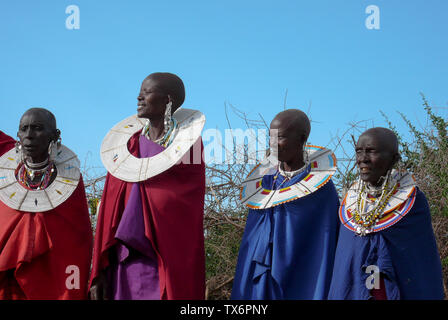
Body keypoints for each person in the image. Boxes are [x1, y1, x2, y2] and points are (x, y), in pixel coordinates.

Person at [89, 72, 206, 300]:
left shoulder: (189, 146)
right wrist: (99, 270)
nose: (138, 98)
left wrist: (150, 200)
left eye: (147, 92)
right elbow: (109, 208)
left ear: (167, 100)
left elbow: (185, 204)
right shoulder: (127, 146)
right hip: (124, 258)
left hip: (165, 256)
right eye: (140, 92)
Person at [232, 109, 340, 299]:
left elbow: (323, 244)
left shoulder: (322, 190)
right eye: (270, 138)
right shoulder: (265, 181)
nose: (273, 145)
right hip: (262, 276)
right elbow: (253, 238)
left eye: (280, 138)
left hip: (303, 274)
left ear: (302, 138)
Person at [328, 127, 445, 300]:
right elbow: (345, 262)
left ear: (394, 159)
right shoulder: (350, 204)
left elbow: (418, 264)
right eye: (359, 152)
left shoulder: (412, 202)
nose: (363, 159)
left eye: (371, 151)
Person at [0, 108, 93, 299]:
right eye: (23, 129)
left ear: (55, 135)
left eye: (37, 128)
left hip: (54, 282)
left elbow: (76, 240)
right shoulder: (6, 183)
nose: (29, 136)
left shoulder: (71, 182)